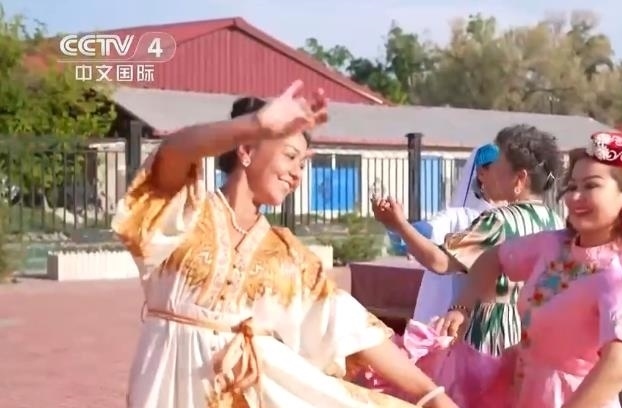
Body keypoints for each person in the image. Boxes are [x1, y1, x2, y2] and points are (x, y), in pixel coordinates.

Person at [112, 81, 456, 408]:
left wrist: (431, 394)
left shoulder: (286, 254)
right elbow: (173, 152)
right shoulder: (185, 214)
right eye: (290, 157)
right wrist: (254, 125)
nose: (298, 174)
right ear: (246, 150)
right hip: (167, 386)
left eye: (303, 164)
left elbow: (347, 326)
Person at [441, 131, 622, 407]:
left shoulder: (617, 275)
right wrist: (462, 308)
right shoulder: (553, 245)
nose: (575, 197)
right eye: (572, 187)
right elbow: (493, 258)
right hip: (525, 390)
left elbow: (620, 363)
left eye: (591, 186)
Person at [372, 124, 564, 356]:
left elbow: (440, 262)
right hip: (533, 334)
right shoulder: (555, 221)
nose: (485, 174)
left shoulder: (498, 221)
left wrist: (399, 224)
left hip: (493, 335)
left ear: (519, 178)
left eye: (497, 166)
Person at [409, 143, 506, 323]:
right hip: (462, 320)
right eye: (500, 168)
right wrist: (401, 227)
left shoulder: (519, 218)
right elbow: (428, 232)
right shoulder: (460, 217)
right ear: (481, 174)